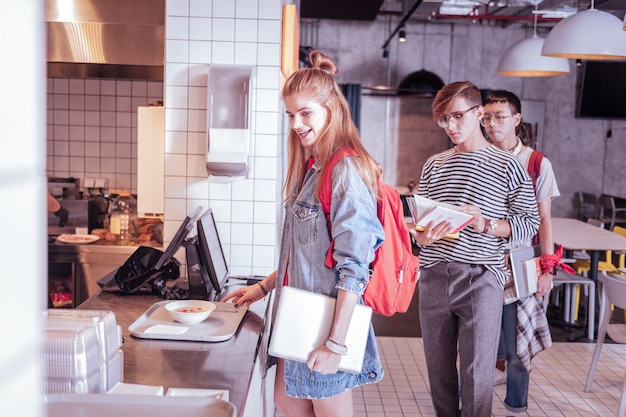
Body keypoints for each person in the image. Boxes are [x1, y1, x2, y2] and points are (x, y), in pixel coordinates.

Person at [222, 50, 385, 417]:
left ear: (331, 108)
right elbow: (304, 255)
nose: (296, 123)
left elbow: (355, 268)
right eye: (291, 114)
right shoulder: (313, 167)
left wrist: (335, 345)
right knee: (286, 403)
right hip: (296, 318)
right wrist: (262, 288)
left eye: (305, 112)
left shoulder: (347, 171)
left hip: (324, 325)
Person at [413, 81, 540, 417]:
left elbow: (530, 223)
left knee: (476, 375)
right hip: (434, 276)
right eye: (443, 120)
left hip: (482, 277)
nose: (450, 126)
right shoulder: (434, 164)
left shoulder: (508, 165)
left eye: (456, 116)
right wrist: (420, 237)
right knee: (438, 375)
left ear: (479, 113)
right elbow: (421, 227)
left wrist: (486, 224)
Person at [482, 90, 560, 415]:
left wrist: (548, 268)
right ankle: (468, 402)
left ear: (516, 119)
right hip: (483, 261)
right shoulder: (478, 157)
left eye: (499, 117)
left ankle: (516, 406)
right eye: (486, 117)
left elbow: (544, 220)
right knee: (477, 343)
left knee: (518, 343)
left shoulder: (536, 162)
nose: (491, 124)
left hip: (520, 261)